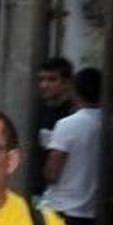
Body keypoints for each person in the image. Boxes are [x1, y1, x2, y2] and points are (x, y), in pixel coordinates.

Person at [43, 67, 104, 225]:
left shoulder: (68, 124)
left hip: (61, 207)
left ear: (75, 92)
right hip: (89, 210)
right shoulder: (107, 123)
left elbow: (53, 171)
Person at [32, 56, 76, 194]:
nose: (44, 85)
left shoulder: (73, 115)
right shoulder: (41, 110)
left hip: (67, 193)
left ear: (67, 83)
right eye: (41, 79)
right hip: (43, 192)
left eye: (52, 79)